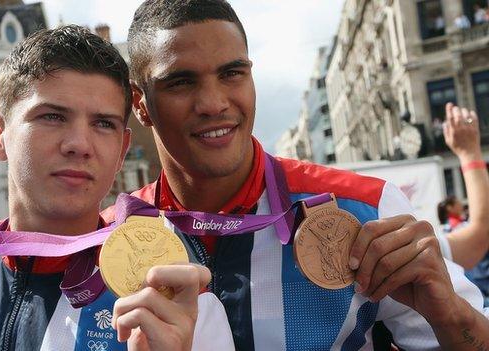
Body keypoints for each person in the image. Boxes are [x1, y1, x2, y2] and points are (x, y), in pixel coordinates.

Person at [106, 0, 487, 348]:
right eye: (181, 82)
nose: (213, 103)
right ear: (140, 104)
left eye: (232, 73)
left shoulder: (365, 208)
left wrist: (449, 314)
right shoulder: (104, 244)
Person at [0, 25, 233, 351]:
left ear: (121, 152)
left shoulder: (183, 306)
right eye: (52, 116)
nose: (79, 144)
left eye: (103, 123)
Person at [436, 103, 489, 306]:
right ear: (449, 208)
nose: (461, 204)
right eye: (457, 202)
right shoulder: (451, 229)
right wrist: (469, 152)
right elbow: (479, 234)